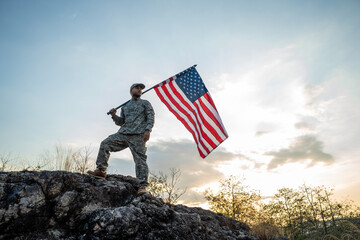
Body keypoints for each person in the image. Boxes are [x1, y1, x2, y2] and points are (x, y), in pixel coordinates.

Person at [88, 83, 155, 195]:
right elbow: (122, 122)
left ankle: (142, 185)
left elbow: (151, 117)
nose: (139, 90)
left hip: (138, 135)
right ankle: (101, 170)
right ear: (131, 91)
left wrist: (148, 130)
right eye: (137, 88)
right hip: (123, 134)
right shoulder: (125, 106)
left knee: (140, 160)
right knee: (105, 143)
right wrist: (114, 116)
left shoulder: (145, 103)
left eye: (140, 89)